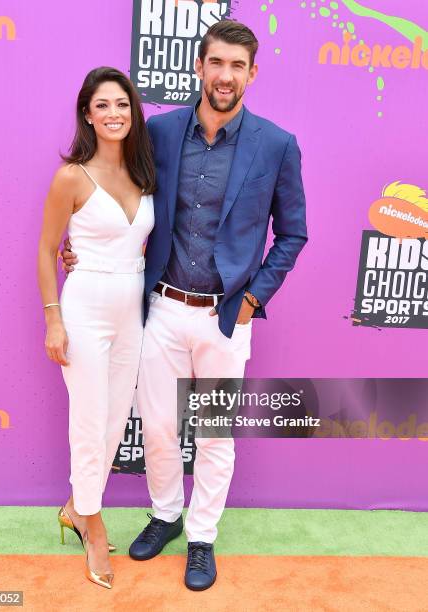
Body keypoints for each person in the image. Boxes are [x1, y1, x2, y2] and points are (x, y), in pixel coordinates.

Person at [63, 20, 307, 591]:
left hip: (226, 319)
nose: (225, 76)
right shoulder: (162, 133)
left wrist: (253, 298)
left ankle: (201, 537)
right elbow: (117, 194)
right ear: (199, 67)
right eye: (216, 63)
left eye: (237, 66)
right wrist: (89, 252)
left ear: (252, 73)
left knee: (215, 434)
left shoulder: (276, 145)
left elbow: (293, 233)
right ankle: (167, 514)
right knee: (160, 428)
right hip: (163, 308)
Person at [37, 66, 155, 589]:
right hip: (83, 308)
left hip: (132, 307)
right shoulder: (71, 176)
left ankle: (74, 505)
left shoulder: (145, 173)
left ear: (134, 112)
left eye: (122, 104)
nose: (114, 114)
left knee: (114, 420)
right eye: (103, 105)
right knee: (89, 418)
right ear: (87, 113)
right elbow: (46, 250)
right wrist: (53, 319)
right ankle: (92, 519)